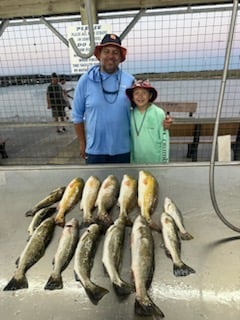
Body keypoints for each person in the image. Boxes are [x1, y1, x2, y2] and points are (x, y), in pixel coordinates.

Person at [72, 33, 134, 164]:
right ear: (99, 55)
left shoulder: (129, 81)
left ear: (120, 57)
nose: (111, 56)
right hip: (95, 151)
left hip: (123, 150)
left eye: (115, 52)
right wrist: (82, 143)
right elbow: (77, 115)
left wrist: (161, 121)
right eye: (106, 52)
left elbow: (142, 109)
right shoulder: (85, 80)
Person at [126, 79, 172, 164]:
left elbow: (164, 138)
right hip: (136, 161)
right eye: (136, 93)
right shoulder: (130, 114)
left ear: (150, 95)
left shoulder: (159, 113)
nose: (140, 96)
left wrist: (165, 162)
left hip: (155, 160)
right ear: (132, 97)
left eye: (144, 93)